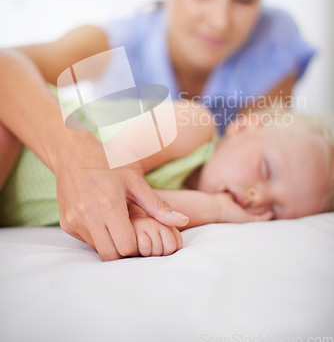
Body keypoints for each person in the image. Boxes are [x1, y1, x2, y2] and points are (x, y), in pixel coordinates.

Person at [0, 0, 316, 261]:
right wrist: (74, 152)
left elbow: (277, 148)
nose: (219, 20)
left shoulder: (273, 42)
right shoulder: (114, 42)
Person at [0, 99, 333, 260]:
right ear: (243, 127)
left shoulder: (196, 220)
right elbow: (111, 171)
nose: (257, 196)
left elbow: (118, 212)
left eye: (275, 208)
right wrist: (214, 207)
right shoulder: (192, 125)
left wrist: (142, 223)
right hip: (22, 128)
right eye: (266, 171)